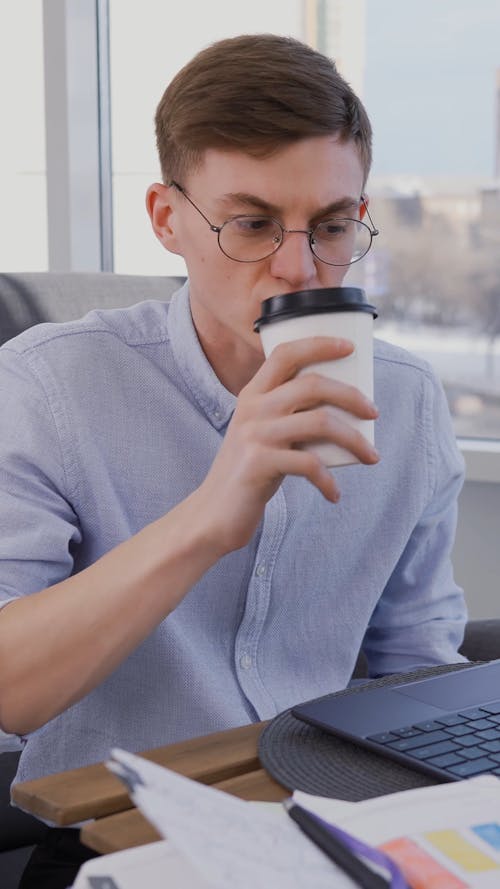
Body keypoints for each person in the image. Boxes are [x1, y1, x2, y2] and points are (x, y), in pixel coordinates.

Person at [0, 33, 466, 886]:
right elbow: (6, 690)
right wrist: (212, 514)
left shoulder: (406, 399)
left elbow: (417, 663)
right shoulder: (46, 386)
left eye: (331, 226)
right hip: (120, 831)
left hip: (335, 821)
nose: (297, 268)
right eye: (251, 223)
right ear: (165, 218)